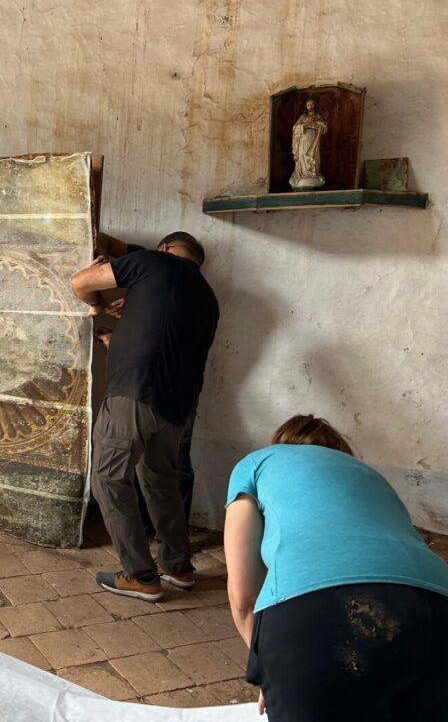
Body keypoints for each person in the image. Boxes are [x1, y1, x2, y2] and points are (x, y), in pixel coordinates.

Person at [225, 415, 448, 720]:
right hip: (438, 604)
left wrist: (270, 666)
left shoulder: (256, 464)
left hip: (318, 618)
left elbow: (244, 599)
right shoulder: (370, 476)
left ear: (281, 443)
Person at [71, 232, 218, 601]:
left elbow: (81, 282)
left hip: (132, 395)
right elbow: (160, 341)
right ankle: (177, 566)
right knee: (160, 481)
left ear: (165, 248)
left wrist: (96, 303)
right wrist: (115, 336)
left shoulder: (154, 262)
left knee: (108, 478)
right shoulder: (207, 298)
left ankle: (139, 575)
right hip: (175, 406)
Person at [94, 233, 198, 537]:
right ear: (165, 249)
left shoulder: (193, 293)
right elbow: (102, 239)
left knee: (167, 468)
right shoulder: (149, 260)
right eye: (183, 262)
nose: (185, 272)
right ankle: (169, 554)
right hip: (156, 387)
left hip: (163, 388)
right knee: (155, 471)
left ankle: (147, 564)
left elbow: (165, 340)